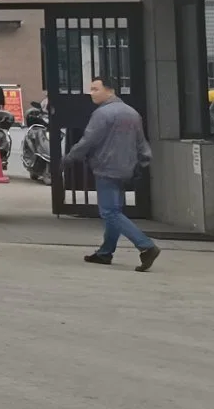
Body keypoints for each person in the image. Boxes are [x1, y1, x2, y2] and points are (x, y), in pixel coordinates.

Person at [64, 76, 159, 270]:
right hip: (126, 169)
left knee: (109, 212)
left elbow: (88, 141)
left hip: (107, 168)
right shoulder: (132, 113)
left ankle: (146, 246)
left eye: (95, 89)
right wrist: (143, 162)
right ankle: (105, 252)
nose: (91, 93)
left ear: (110, 90)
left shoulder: (102, 114)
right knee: (114, 211)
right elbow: (141, 142)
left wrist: (70, 157)